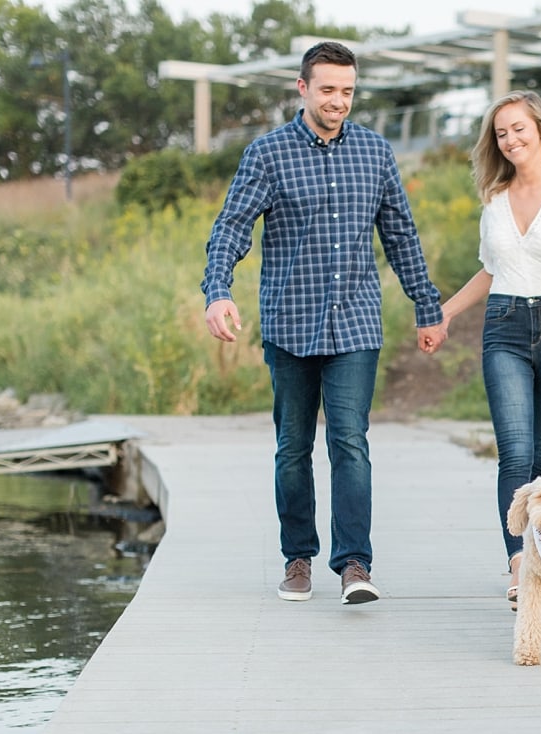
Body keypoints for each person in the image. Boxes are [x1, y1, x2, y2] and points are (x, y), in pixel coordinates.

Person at [202, 40, 448, 605]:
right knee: (292, 445)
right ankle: (297, 558)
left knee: (349, 441)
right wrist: (218, 293)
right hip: (289, 323)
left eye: (347, 91)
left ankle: (355, 564)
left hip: (356, 323)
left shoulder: (375, 153)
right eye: (328, 90)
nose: (339, 101)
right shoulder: (267, 155)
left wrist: (426, 307)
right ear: (303, 89)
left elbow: (401, 236)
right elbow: (231, 228)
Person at [432, 91, 541, 610]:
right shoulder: (494, 200)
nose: (510, 139)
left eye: (518, 128)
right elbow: (490, 270)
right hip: (503, 324)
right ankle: (520, 564)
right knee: (514, 451)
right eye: (501, 133)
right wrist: (445, 313)